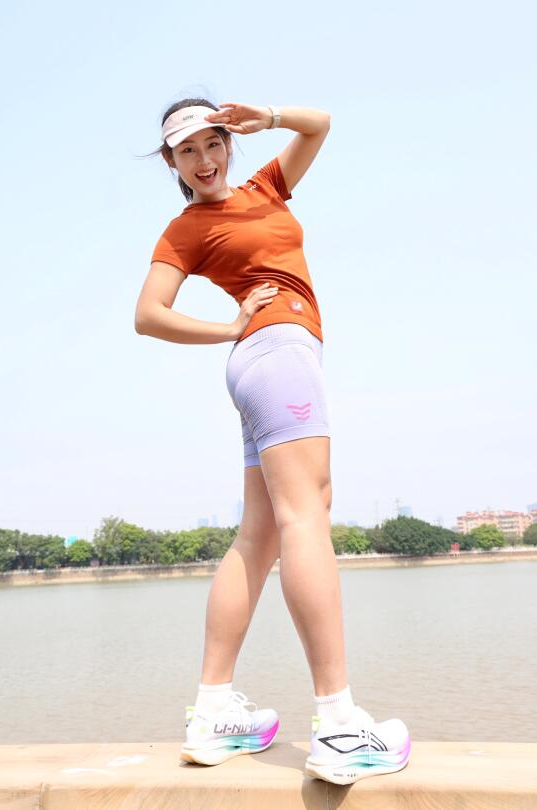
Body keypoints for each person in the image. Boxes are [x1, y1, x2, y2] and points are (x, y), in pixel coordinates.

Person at [135, 98, 411, 785]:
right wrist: (229, 328)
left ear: (228, 142)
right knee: (306, 515)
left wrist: (269, 115)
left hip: (263, 364)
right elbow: (148, 315)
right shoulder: (185, 229)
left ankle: (213, 712)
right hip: (277, 351)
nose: (204, 160)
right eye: (187, 151)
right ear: (171, 162)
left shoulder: (265, 187)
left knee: (259, 535)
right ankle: (340, 725)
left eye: (212, 143)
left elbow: (321, 124)